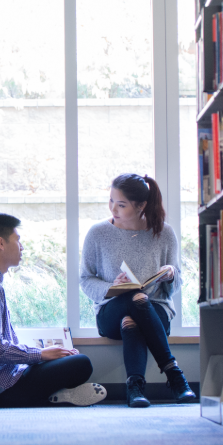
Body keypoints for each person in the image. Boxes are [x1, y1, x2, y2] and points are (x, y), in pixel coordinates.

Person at [0, 212, 107, 408]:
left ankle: (57, 395)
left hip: (1, 380)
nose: (22, 247)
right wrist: (40, 354)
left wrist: (41, 355)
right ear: (1, 244)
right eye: (17, 240)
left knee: (67, 357)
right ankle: (53, 397)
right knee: (81, 363)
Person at [80, 173, 197, 408]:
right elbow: (85, 279)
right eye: (111, 200)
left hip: (156, 312)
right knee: (136, 298)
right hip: (110, 312)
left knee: (133, 315)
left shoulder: (164, 233)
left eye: (121, 204)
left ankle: (135, 388)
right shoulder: (97, 233)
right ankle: (174, 374)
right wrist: (112, 287)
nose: (113, 208)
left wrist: (171, 275)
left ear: (141, 205)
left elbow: (176, 283)